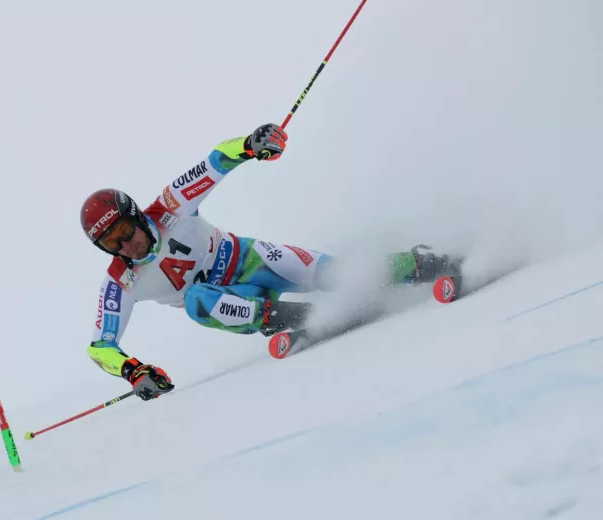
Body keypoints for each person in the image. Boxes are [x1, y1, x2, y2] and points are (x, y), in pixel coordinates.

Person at [81, 124, 459, 401]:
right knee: (197, 301)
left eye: (123, 233)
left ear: (135, 216)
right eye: (110, 244)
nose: (124, 247)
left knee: (336, 274)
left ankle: (423, 264)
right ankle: (296, 319)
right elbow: (101, 346)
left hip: (254, 260)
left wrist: (250, 145)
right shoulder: (120, 281)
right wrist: (134, 373)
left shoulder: (171, 206)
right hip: (235, 302)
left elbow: (214, 162)